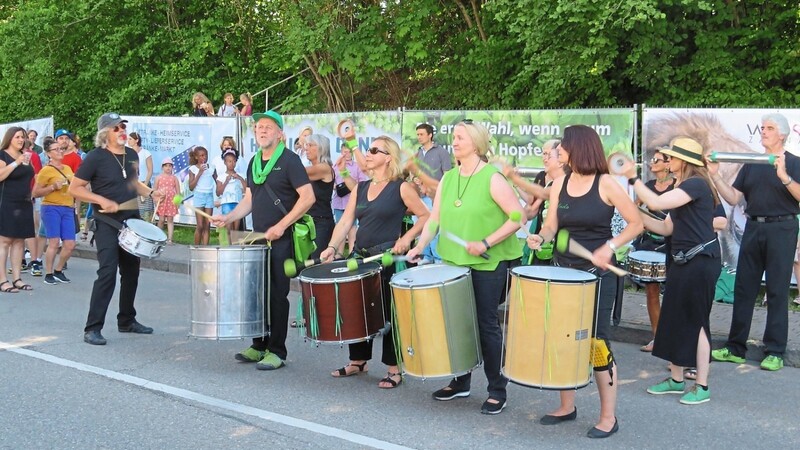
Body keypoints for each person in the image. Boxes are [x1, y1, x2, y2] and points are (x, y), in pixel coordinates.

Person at [526, 125, 642, 438]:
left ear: (578, 148)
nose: (558, 151)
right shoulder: (559, 182)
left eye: (563, 146)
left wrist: (610, 247)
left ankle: (608, 417)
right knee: (564, 339)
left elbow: (636, 223)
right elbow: (551, 224)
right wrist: (542, 236)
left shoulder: (606, 183)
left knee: (597, 343)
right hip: (564, 271)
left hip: (598, 274)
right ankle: (567, 406)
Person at [406, 120, 521, 412]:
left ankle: (497, 388)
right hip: (453, 262)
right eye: (453, 137)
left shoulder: (492, 177)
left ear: (477, 143)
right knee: (457, 324)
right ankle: (461, 382)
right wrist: (420, 245)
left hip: (489, 263)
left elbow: (517, 217)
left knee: (485, 325)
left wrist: (485, 242)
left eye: (460, 137)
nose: (454, 142)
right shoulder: (449, 178)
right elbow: (435, 218)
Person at [320, 135, 429, 388]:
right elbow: (346, 221)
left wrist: (407, 238)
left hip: (387, 258)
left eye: (373, 150)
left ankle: (394, 368)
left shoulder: (400, 187)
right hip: (360, 256)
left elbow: (426, 215)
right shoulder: (361, 187)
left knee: (389, 313)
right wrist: (331, 247)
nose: (367, 154)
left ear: (388, 157)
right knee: (355, 307)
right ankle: (358, 360)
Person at [211, 110, 314, 370]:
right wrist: (229, 216)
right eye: (258, 127)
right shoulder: (254, 161)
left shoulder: (290, 161)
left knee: (277, 295)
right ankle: (259, 345)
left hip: (283, 238)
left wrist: (281, 226)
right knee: (256, 293)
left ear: (280, 133)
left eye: (268, 126)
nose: (262, 130)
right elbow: (250, 199)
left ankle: (277, 351)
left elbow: (308, 198)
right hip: (257, 239)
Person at [625, 137, 721, 405]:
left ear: (683, 161)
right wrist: (633, 213)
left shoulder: (697, 184)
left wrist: (633, 179)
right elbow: (667, 228)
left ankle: (701, 386)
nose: (667, 160)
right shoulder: (682, 185)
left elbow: (656, 203)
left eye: (671, 157)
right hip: (681, 260)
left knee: (697, 321)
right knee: (675, 317)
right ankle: (677, 380)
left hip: (701, 261)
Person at [709, 113, 800, 371]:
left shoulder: (794, 163)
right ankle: (736, 347)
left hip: (781, 227)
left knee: (777, 290)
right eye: (762, 128)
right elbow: (734, 197)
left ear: (782, 134)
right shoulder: (752, 162)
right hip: (753, 227)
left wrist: (784, 176)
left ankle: (775, 351)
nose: (764, 132)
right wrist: (716, 176)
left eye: (769, 128)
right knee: (744, 287)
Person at [68, 112, 164, 345]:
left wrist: (150, 191)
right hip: (106, 222)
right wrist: (100, 200)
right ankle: (92, 328)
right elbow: (75, 188)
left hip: (132, 220)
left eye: (123, 127)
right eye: (116, 128)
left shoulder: (131, 154)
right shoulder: (95, 157)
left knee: (131, 272)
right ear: (105, 134)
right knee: (108, 271)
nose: (122, 131)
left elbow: (132, 181)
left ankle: (126, 320)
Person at [634, 148, 675, 352]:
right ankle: (657, 337)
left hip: (669, 244)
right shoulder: (648, 186)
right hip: (649, 243)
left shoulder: (677, 187)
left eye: (657, 159)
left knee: (672, 294)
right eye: (652, 159)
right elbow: (635, 209)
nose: (652, 162)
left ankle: (670, 338)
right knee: (651, 291)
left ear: (668, 163)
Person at [504, 139, 564, 265]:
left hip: (562, 246)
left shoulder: (566, 182)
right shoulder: (542, 177)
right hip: (543, 239)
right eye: (543, 154)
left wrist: (515, 179)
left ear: (561, 160)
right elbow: (532, 205)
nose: (545, 158)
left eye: (549, 155)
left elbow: (540, 196)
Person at [33, 137, 76, 285]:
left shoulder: (68, 169)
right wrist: (53, 187)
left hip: (68, 208)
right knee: (54, 242)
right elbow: (36, 192)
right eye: (56, 149)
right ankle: (49, 273)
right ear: (48, 154)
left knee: (70, 244)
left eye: (61, 149)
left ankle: (58, 270)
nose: (60, 151)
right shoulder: (46, 171)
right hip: (51, 207)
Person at [0, 127, 35, 293]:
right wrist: (16, 162)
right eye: (18, 137)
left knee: (20, 241)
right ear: (10, 138)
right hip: (7, 201)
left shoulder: (26, 156)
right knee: (5, 241)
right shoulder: (3, 155)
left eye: (23, 137)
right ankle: (2, 280)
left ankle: (17, 278)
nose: (21, 140)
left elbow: (30, 176)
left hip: (24, 202)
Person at [331, 143, 366, 256]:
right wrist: (336, 187)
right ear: (341, 152)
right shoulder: (335, 166)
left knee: (352, 227)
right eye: (344, 152)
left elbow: (362, 183)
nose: (346, 154)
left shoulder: (357, 166)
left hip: (351, 200)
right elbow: (330, 180)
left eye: (348, 152)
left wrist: (351, 186)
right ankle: (339, 253)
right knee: (339, 225)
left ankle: (352, 251)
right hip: (338, 200)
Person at [303, 134, 334, 259]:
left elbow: (297, 171)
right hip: (308, 221)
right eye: (306, 145)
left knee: (316, 262)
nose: (307, 149)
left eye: (311, 145)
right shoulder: (314, 168)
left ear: (321, 148)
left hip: (321, 223)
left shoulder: (324, 168)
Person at [214, 149, 246, 239]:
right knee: (228, 228)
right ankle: (228, 247)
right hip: (226, 204)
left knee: (235, 229)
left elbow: (246, 189)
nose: (232, 163)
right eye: (229, 161)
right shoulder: (221, 176)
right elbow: (218, 192)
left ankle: (234, 248)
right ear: (225, 162)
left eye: (234, 161)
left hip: (238, 204)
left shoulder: (241, 175)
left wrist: (239, 178)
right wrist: (226, 181)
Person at [187, 146, 216, 245]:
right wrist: (199, 173)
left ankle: (205, 248)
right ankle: (196, 247)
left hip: (209, 196)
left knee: (207, 225)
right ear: (196, 157)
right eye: (201, 155)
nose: (204, 157)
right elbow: (191, 187)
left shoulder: (211, 167)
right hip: (199, 196)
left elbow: (218, 181)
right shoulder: (193, 169)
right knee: (200, 225)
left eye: (205, 155)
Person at [128, 132, 154, 222]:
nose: (128, 141)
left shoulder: (146, 153)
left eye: (130, 139)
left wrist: (145, 185)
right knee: (134, 209)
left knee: (146, 210)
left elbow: (150, 170)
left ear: (137, 140)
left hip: (144, 183)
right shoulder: (128, 153)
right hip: (133, 184)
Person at [154, 158, 180, 244]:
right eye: (166, 166)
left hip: (171, 202)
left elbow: (178, 191)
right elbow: (154, 190)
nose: (168, 168)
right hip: (161, 201)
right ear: (162, 167)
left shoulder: (174, 178)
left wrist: (177, 202)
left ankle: (170, 239)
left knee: (170, 219)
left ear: (172, 167)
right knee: (161, 220)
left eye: (170, 166)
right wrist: (156, 200)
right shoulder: (158, 177)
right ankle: (158, 237)